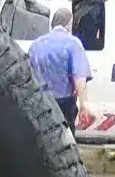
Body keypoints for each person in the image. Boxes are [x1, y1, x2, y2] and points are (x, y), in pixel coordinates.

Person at [28, 8, 93, 137]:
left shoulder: (35, 45)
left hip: (40, 102)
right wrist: (83, 105)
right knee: (65, 138)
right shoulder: (73, 43)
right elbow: (79, 78)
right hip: (64, 103)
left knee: (44, 138)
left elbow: (28, 76)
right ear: (69, 23)